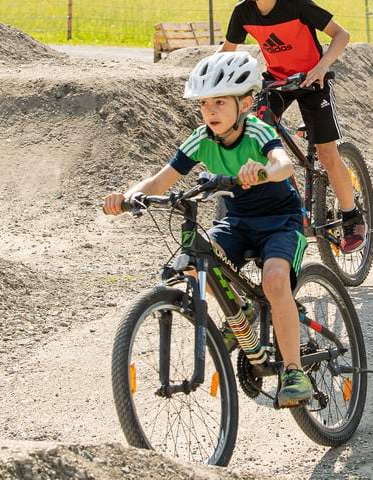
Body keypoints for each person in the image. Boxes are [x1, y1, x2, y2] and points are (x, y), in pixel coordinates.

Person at [102, 52, 314, 407]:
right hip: (236, 220)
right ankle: (241, 313)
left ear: (245, 103)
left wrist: (263, 171)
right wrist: (128, 196)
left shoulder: (257, 130)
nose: (210, 111)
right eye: (204, 104)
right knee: (191, 262)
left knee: (275, 281)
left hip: (281, 220)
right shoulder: (200, 139)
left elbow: (284, 164)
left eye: (219, 102)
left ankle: (294, 371)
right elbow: (159, 181)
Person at [219, 0, 367, 252]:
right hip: (275, 82)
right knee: (256, 138)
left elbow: (341, 35)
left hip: (312, 82)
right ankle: (283, 204)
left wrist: (322, 67)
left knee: (327, 154)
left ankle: (352, 216)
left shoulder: (297, 4)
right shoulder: (243, 13)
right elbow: (227, 53)